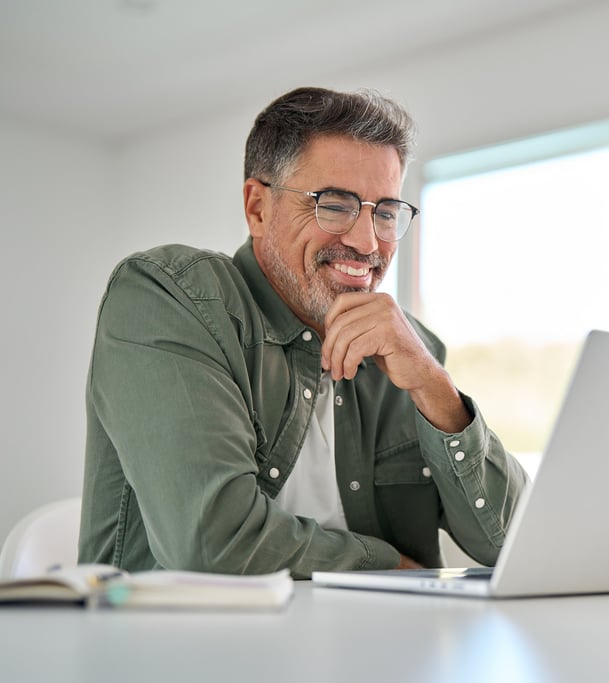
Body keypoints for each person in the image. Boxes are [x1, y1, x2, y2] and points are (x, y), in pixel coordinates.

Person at [78, 87, 529, 578]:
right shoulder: (170, 298)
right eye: (334, 205)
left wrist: (433, 386)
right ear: (258, 208)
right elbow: (211, 542)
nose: (366, 241)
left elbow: (518, 543)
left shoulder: (410, 351)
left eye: (384, 212)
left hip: (385, 650)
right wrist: (388, 565)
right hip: (178, 649)